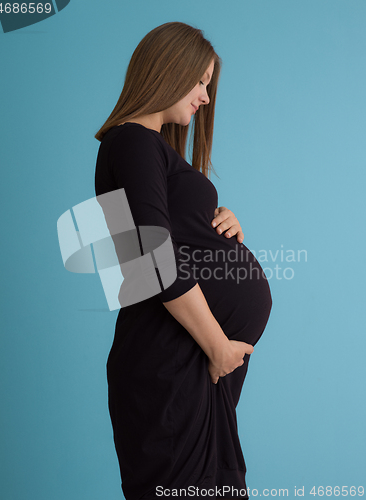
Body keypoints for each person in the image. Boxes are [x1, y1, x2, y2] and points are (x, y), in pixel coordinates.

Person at [94, 21, 272, 500]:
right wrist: (218, 347)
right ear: (169, 69)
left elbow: (161, 237)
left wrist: (218, 219)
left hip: (188, 365)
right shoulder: (130, 140)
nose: (205, 98)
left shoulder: (146, 148)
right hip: (173, 362)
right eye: (200, 82)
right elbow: (151, 256)